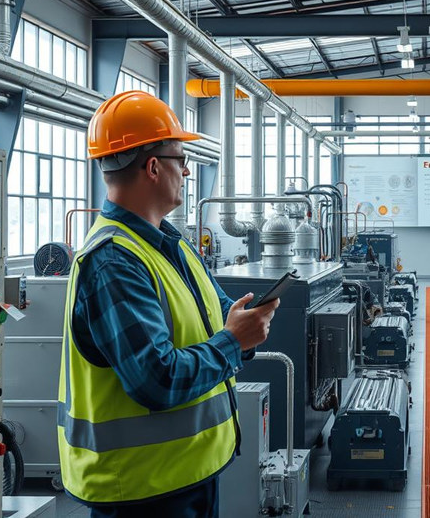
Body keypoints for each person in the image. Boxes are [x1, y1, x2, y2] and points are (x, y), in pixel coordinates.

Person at [57, 91, 278, 517]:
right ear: (154, 167)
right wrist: (233, 343)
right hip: (140, 490)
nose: (187, 169)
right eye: (181, 158)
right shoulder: (113, 261)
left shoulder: (169, 243)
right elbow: (157, 380)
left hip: (188, 474)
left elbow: (214, 322)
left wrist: (241, 332)